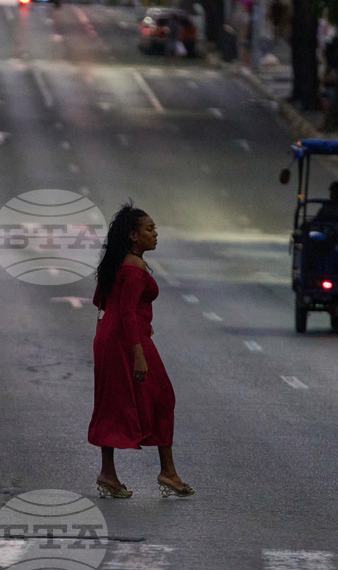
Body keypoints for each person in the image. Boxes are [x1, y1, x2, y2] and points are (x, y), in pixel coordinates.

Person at [88, 204, 194, 499]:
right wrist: (138, 352)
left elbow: (102, 300)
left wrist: (141, 323)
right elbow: (124, 313)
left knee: (111, 403)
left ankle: (109, 473)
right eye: (149, 230)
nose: (155, 234)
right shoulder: (133, 269)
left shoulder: (118, 262)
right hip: (126, 339)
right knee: (163, 396)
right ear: (134, 235)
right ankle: (168, 472)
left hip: (110, 338)